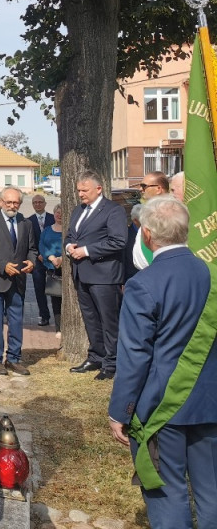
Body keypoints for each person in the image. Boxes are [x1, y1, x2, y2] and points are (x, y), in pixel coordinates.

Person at [108, 197, 217, 528]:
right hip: (210, 402)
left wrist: (119, 411)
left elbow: (134, 357)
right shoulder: (212, 275)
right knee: (212, 491)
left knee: (167, 493)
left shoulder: (143, 284)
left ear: (146, 234)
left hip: (162, 407)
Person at [66, 171, 128, 381]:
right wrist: (69, 246)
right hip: (82, 273)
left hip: (105, 275)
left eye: (84, 190)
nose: (80, 194)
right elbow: (71, 235)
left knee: (109, 321)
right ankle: (96, 357)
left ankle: (112, 363)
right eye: (79, 190)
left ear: (98, 189)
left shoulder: (113, 210)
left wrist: (86, 250)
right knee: (91, 319)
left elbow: (118, 241)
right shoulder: (78, 210)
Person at [0, 187, 36, 376]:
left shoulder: (25, 223)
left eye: (16, 202)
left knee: (16, 321)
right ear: (1, 202)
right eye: (8, 202)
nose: (12, 206)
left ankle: (13, 359)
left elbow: (32, 249)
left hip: (17, 280)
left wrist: (31, 262)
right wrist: (3, 266)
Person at [132, 171, 171, 272]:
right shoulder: (151, 211)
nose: (140, 189)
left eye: (144, 186)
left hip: (160, 272)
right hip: (147, 273)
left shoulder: (170, 213)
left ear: (158, 189)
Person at [28, 194, 56, 326]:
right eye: (35, 202)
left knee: (55, 288)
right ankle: (44, 315)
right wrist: (36, 255)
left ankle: (58, 316)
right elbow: (29, 242)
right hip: (37, 260)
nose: (38, 204)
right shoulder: (28, 221)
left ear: (45, 204)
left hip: (52, 259)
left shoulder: (53, 218)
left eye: (40, 202)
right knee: (39, 289)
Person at [39, 203, 65, 332]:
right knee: (55, 300)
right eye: (57, 212)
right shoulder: (47, 230)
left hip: (67, 269)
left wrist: (61, 259)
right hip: (52, 269)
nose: (59, 215)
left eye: (62, 213)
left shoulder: (69, 230)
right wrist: (50, 257)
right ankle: (59, 329)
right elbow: (41, 247)